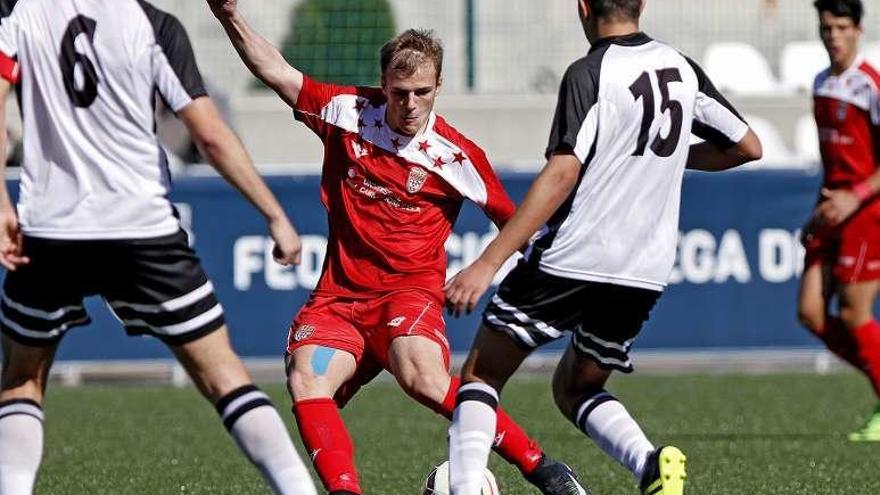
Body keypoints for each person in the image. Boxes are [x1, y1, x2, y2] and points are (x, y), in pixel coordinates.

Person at [207, 2, 588, 494]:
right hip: (339, 300)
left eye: (422, 93)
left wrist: (499, 271)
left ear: (439, 87)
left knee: (423, 378)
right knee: (306, 379)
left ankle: (543, 468)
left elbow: (517, 223)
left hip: (407, 297)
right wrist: (228, 17)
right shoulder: (346, 112)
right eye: (399, 92)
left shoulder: (455, 155)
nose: (409, 104)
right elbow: (276, 71)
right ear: (383, 84)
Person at [444, 1, 762, 494]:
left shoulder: (589, 72)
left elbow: (563, 171)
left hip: (578, 254)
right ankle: (650, 468)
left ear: (583, 7)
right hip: (643, 270)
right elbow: (747, 146)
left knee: (481, 373)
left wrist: (488, 262)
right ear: (642, 4)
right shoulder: (680, 66)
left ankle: (464, 487)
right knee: (576, 387)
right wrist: (668, 159)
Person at [0, 1, 316, 494]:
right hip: (142, 230)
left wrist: (1, 202)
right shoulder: (154, 25)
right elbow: (209, 136)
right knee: (225, 378)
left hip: (52, 231)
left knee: (21, 379)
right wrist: (275, 215)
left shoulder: (20, 13)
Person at [798, 0, 880, 442]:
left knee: (853, 313)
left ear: (858, 31)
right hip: (830, 208)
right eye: (826, 27)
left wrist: (856, 197)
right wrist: (819, 210)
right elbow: (834, 161)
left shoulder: (871, 84)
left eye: (842, 27)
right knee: (810, 313)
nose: (833, 35)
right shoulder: (820, 83)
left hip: (866, 211)